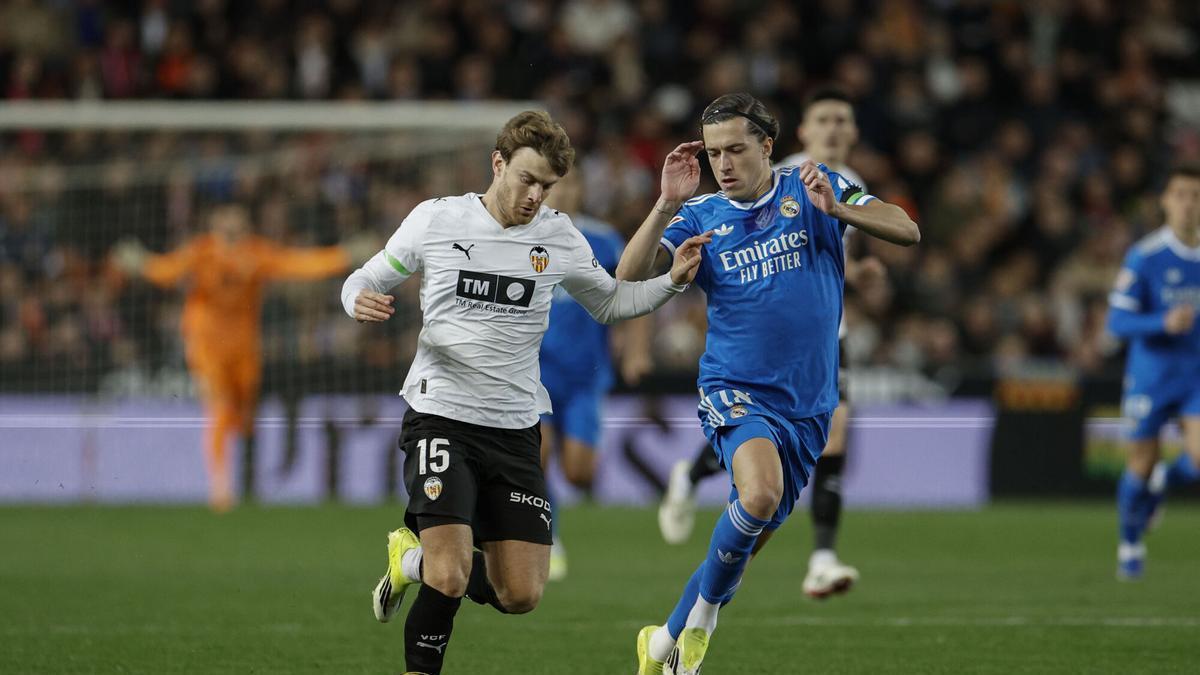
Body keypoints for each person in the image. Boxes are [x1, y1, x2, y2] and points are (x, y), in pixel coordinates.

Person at [342, 110, 707, 675]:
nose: (535, 195)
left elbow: (610, 303)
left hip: (514, 428)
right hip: (441, 416)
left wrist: (671, 283)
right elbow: (366, 276)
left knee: (521, 593)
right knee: (452, 572)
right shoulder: (437, 220)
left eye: (547, 186)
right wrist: (356, 299)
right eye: (527, 180)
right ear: (498, 164)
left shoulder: (558, 236)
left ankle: (407, 558)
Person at [618, 93, 918, 674]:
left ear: (767, 146)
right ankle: (702, 627)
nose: (723, 164)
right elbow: (625, 279)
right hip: (736, 386)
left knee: (743, 539)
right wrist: (664, 204)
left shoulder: (811, 188)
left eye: (735, 149)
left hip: (809, 403)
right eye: (713, 154)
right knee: (757, 496)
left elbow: (905, 229)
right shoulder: (700, 214)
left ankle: (661, 642)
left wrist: (839, 211)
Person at [657, 87, 884, 599]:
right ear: (797, 134)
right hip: (760, 354)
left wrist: (862, 272)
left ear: (852, 131)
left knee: (823, 442)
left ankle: (817, 556)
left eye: (840, 120)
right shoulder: (789, 177)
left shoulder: (847, 183)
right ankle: (696, 480)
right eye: (821, 119)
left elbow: (817, 261)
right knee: (773, 457)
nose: (831, 129)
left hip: (825, 342)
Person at [112, 203, 362, 512]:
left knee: (244, 415)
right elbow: (168, 271)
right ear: (215, 222)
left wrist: (344, 256)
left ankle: (246, 469)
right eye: (225, 217)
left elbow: (298, 264)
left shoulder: (256, 253)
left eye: (237, 218)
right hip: (205, 343)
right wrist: (142, 263)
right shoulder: (201, 252)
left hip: (243, 345)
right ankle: (220, 486)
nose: (232, 223)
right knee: (218, 407)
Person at [538, 168, 652, 581]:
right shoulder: (521, 238)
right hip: (533, 374)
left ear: (581, 188)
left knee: (579, 472)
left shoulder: (603, 241)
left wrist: (636, 351)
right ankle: (548, 540)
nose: (560, 193)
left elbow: (634, 291)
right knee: (537, 455)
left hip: (586, 376)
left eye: (569, 183)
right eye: (552, 185)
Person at [1107, 162, 1200, 581]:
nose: (1188, 205)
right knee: (1139, 463)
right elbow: (1117, 322)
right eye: (1180, 195)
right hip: (1151, 375)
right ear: (1165, 201)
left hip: (1195, 377)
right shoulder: (1145, 256)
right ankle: (1129, 542)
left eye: (1196, 196)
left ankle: (1166, 476)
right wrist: (1161, 322)